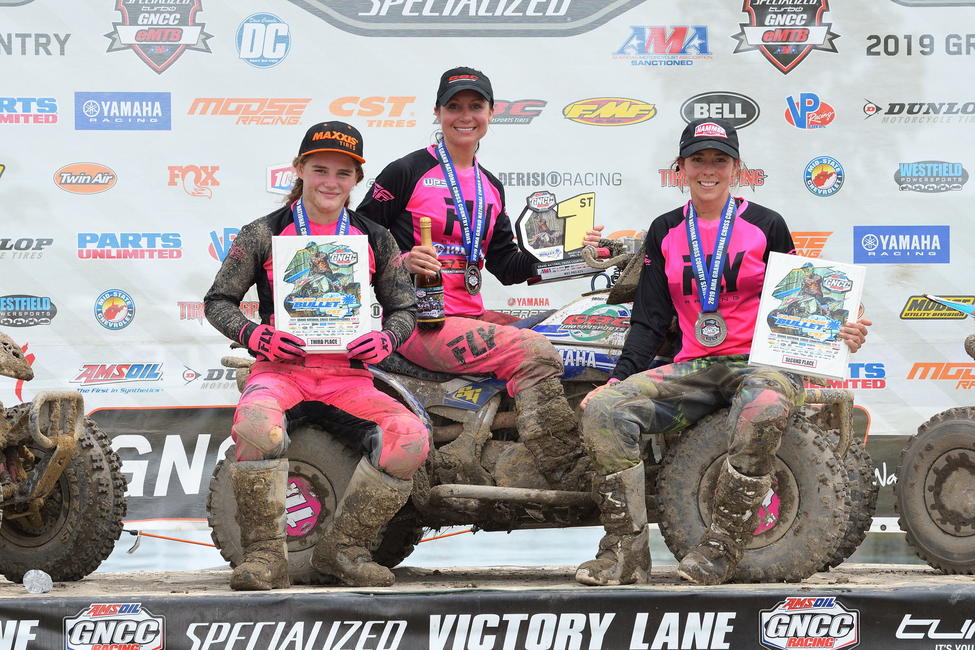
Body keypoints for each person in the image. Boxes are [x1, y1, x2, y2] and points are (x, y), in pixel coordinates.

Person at [575, 118, 871, 587]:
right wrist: (618, 379)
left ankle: (720, 548)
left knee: (766, 406)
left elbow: (805, 300)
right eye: (698, 159)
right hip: (697, 368)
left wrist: (839, 333)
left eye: (719, 159)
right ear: (680, 168)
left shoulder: (766, 224)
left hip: (761, 365)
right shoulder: (666, 230)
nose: (707, 169)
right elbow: (649, 319)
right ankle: (624, 554)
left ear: (736, 168)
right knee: (606, 411)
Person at [204, 121, 428, 590]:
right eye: (320, 169)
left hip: (349, 379)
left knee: (410, 438)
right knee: (253, 426)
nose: (330, 181)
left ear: (356, 181)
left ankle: (343, 553)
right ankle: (266, 558)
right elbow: (217, 302)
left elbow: (404, 307)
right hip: (281, 372)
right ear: (299, 169)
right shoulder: (262, 232)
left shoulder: (376, 237)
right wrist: (255, 335)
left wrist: (386, 339)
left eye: (343, 173)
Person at [357, 66, 602, 491]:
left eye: (475, 106)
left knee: (566, 333)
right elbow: (351, 242)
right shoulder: (406, 171)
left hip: (469, 315)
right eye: (454, 107)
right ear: (438, 112)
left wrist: (579, 256)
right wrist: (400, 262)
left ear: (490, 113)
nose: (465, 116)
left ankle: (509, 443)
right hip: (419, 320)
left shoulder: (490, 186)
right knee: (534, 350)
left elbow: (507, 264)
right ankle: (562, 468)